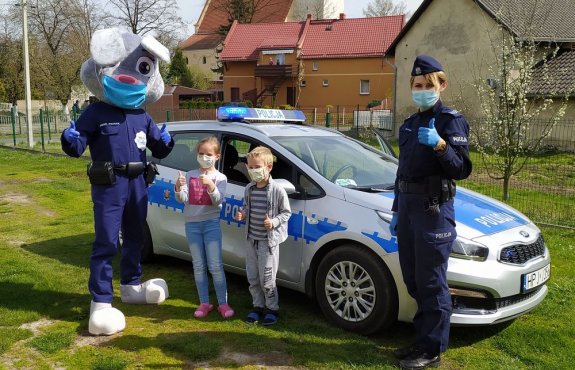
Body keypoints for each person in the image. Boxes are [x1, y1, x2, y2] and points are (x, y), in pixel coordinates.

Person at [389, 55, 472, 369]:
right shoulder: (409, 124)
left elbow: (461, 169)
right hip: (409, 210)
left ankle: (432, 350)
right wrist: (397, 211)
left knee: (431, 282)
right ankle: (421, 341)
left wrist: (440, 146)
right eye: (417, 85)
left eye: (428, 85)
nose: (422, 90)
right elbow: (402, 174)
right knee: (413, 279)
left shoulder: (450, 121)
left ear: (442, 85)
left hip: (433, 210)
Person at [174, 136, 234, 319]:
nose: (204, 157)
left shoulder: (220, 178)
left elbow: (218, 201)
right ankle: (204, 302)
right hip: (192, 224)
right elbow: (183, 199)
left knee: (215, 265)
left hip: (211, 224)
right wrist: (178, 187)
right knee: (199, 265)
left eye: (209, 154)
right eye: (201, 153)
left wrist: (210, 185)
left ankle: (223, 304)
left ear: (217, 156)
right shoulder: (190, 174)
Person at [234, 146, 291, 326]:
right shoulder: (249, 189)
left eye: (257, 167)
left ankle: (272, 308)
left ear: (269, 167)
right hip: (251, 239)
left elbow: (286, 213)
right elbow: (246, 207)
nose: (253, 171)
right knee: (252, 277)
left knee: (267, 279)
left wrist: (273, 222)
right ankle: (257, 306)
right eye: (250, 167)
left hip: (268, 242)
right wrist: (242, 214)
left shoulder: (277, 190)